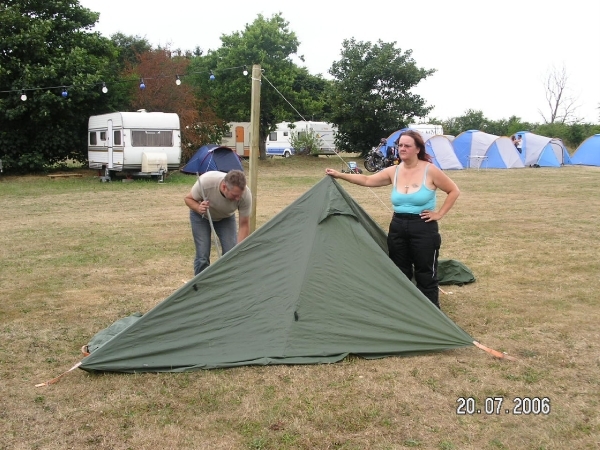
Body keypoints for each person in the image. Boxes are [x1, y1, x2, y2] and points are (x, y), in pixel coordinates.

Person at [325, 130, 460, 308]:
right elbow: (366, 180)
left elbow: (454, 191)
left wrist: (439, 214)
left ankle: (432, 313)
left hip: (423, 227)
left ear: (417, 149)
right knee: (399, 271)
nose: (402, 149)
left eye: (407, 146)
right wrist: (339, 175)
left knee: (425, 273)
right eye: (400, 145)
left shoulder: (430, 171)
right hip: (398, 226)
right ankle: (403, 309)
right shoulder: (393, 171)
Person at [184, 170, 252, 275]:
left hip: (226, 218)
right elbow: (188, 199)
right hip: (201, 217)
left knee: (231, 253)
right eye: (235, 195)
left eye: (240, 195)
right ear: (224, 187)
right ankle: (201, 287)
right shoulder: (206, 183)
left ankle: (226, 284)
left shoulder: (245, 195)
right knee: (202, 255)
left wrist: (238, 250)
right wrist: (198, 207)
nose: (238, 198)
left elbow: (244, 225)